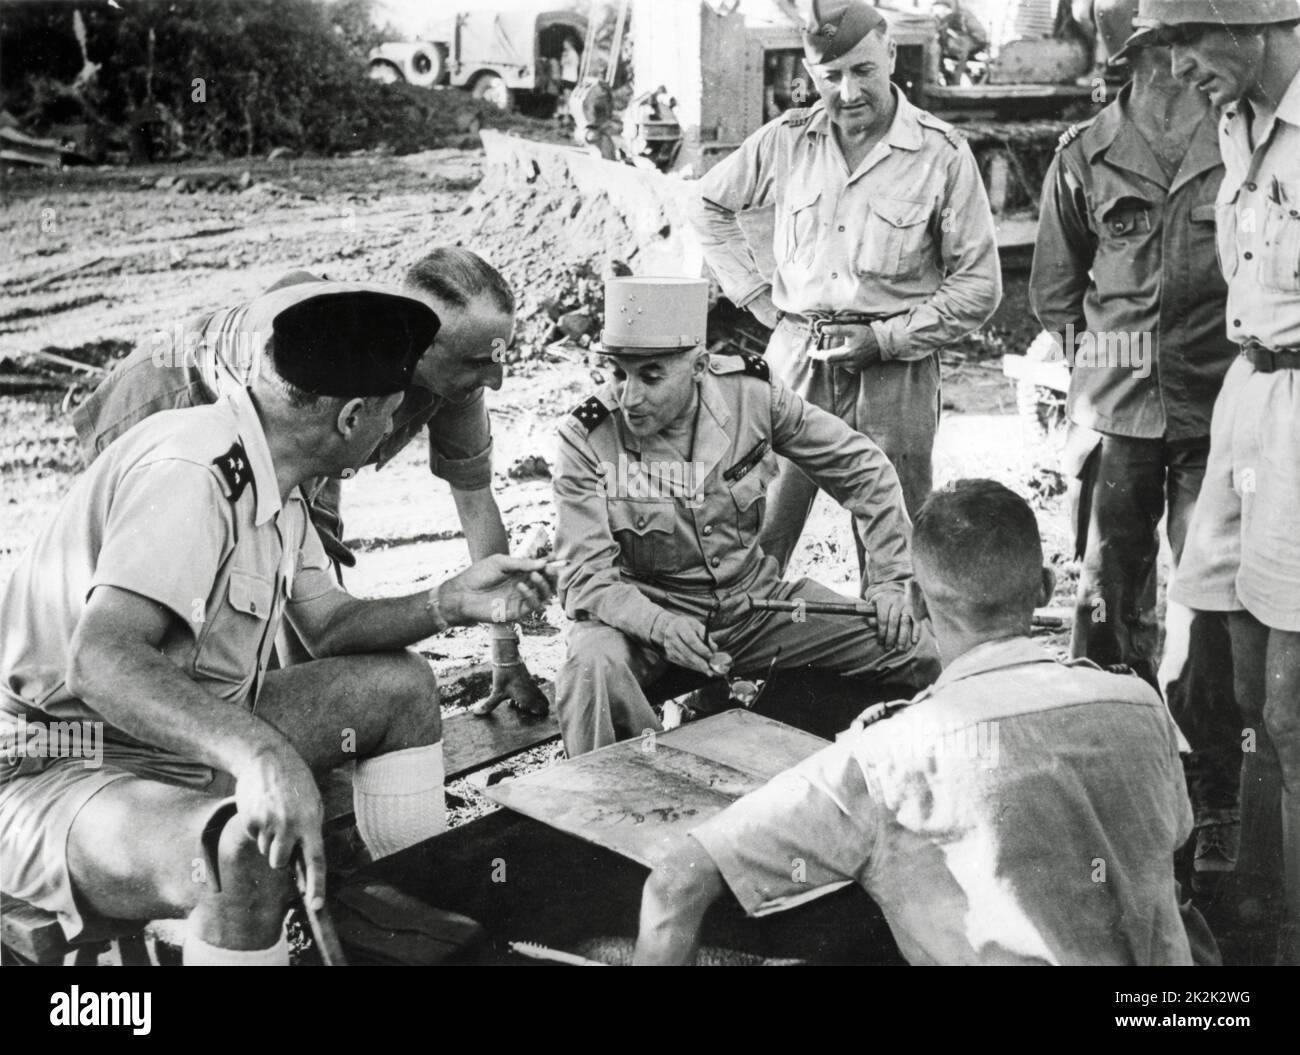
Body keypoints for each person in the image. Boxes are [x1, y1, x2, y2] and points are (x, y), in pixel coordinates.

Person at [0, 284, 557, 965]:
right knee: (238, 851)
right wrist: (259, 754)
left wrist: (448, 601)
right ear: (352, 417)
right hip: (61, 762)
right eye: (390, 415)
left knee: (402, 686)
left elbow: (327, 625)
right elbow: (102, 659)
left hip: (178, 737)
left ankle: (400, 924)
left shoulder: (277, 469)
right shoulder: (196, 469)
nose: (393, 431)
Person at [634, 480, 1200, 965]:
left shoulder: (886, 758)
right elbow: (1171, 841)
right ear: (1047, 588)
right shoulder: (1142, 707)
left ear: (916, 601)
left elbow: (674, 884)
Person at [71, 248, 549, 716]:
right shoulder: (316, 347)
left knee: (305, 602)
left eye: (497, 357)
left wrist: (506, 652)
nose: (497, 379)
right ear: (421, 349)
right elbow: (282, 493)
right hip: (168, 400)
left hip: (307, 440)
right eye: (478, 362)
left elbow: (476, 501)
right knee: (188, 618)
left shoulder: (459, 376)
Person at [1029, 0, 1241, 883]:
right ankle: (1111, 774)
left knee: (1210, 600)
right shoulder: (1083, 157)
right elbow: (1055, 295)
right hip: (1119, 415)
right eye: (1151, 56)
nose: (1166, 72)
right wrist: (1106, 370)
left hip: (1215, 411)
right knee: (1110, 596)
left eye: (1178, 50)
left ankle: (1214, 790)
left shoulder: (1240, 143)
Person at [553, 277, 938, 757]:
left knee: (916, 651)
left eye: (651, 376)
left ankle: (797, 733)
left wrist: (890, 577)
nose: (630, 396)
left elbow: (863, 468)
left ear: (698, 367)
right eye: (618, 374)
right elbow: (585, 578)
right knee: (592, 669)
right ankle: (611, 811)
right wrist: (659, 626)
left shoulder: (750, 395)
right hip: (642, 622)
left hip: (754, 609)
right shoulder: (586, 438)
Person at [689, 0, 1001, 580]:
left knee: (898, 546)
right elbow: (707, 204)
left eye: (862, 71)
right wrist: (758, 299)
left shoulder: (942, 153)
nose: (848, 92)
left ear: (890, 54)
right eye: (830, 77)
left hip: (895, 374)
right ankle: (743, 654)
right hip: (795, 365)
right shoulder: (787, 140)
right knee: (757, 535)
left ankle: (903, 662)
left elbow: (979, 286)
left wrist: (883, 340)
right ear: (812, 76)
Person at [1141, 0, 1300, 963]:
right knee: (1240, 681)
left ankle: (1289, 934)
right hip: (1249, 394)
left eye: (1187, 43)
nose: (1177, 69)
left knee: (1292, 703)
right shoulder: (1238, 120)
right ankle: (1257, 890)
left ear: (1254, 21)